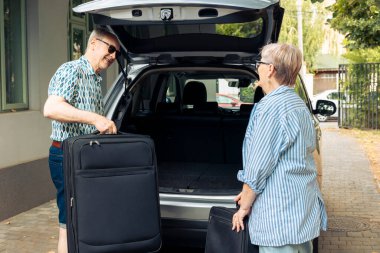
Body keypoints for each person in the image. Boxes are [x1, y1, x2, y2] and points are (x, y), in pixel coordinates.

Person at [232, 43, 327, 253]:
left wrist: (244, 207)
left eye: (260, 63)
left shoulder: (271, 108)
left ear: (270, 69)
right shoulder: (297, 103)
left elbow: (258, 168)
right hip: (301, 211)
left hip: (279, 219)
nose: (258, 68)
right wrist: (246, 193)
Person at [43, 27, 120, 253]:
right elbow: (51, 107)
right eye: (111, 48)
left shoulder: (95, 78)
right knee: (69, 223)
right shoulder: (71, 70)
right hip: (65, 157)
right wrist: (96, 118)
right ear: (93, 44)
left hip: (85, 158)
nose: (114, 56)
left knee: (85, 220)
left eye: (117, 52)